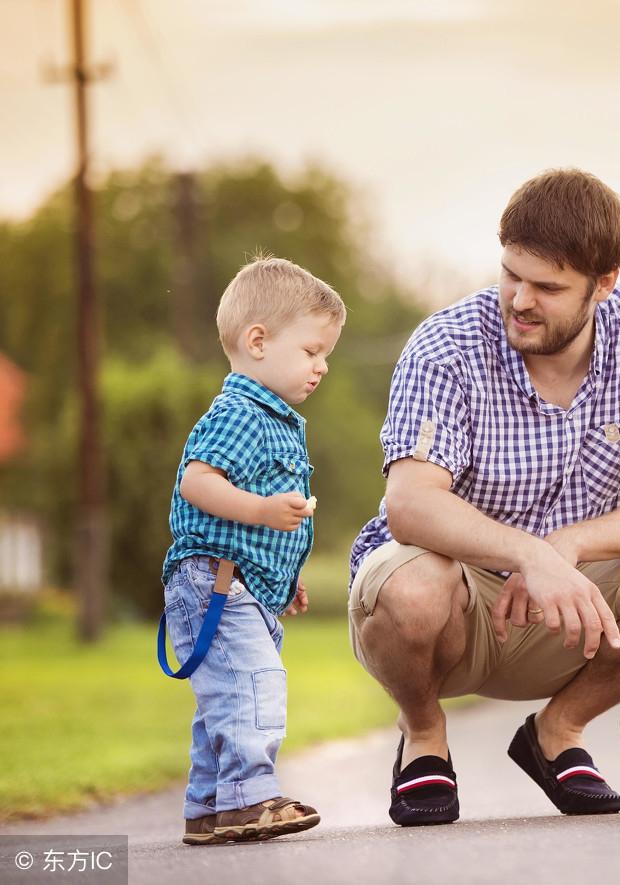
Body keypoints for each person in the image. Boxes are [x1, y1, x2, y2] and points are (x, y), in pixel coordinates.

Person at [348, 168, 620, 825]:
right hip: (455, 605)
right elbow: (410, 504)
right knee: (409, 587)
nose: (520, 299)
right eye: (510, 274)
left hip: (572, 604)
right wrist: (528, 554)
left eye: (547, 287)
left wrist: (567, 547)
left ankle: (558, 730)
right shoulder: (445, 345)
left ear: (603, 284)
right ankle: (424, 737)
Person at [160, 256, 345, 845]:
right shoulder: (242, 412)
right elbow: (197, 481)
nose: (321, 367)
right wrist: (263, 510)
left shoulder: (276, 419)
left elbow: (258, 526)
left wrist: (282, 577)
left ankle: (210, 806)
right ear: (258, 341)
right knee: (254, 686)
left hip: (240, 581)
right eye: (312, 351)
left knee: (228, 695)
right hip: (213, 582)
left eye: (326, 356)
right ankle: (251, 798)